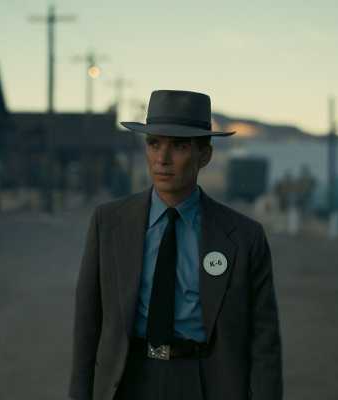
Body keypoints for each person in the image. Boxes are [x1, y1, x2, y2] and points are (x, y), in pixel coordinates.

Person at [70, 90, 283, 400]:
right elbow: (87, 323)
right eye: (154, 144)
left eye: (179, 146)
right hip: (127, 379)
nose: (163, 159)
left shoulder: (244, 236)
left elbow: (264, 340)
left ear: (204, 155)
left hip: (206, 382)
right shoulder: (109, 222)